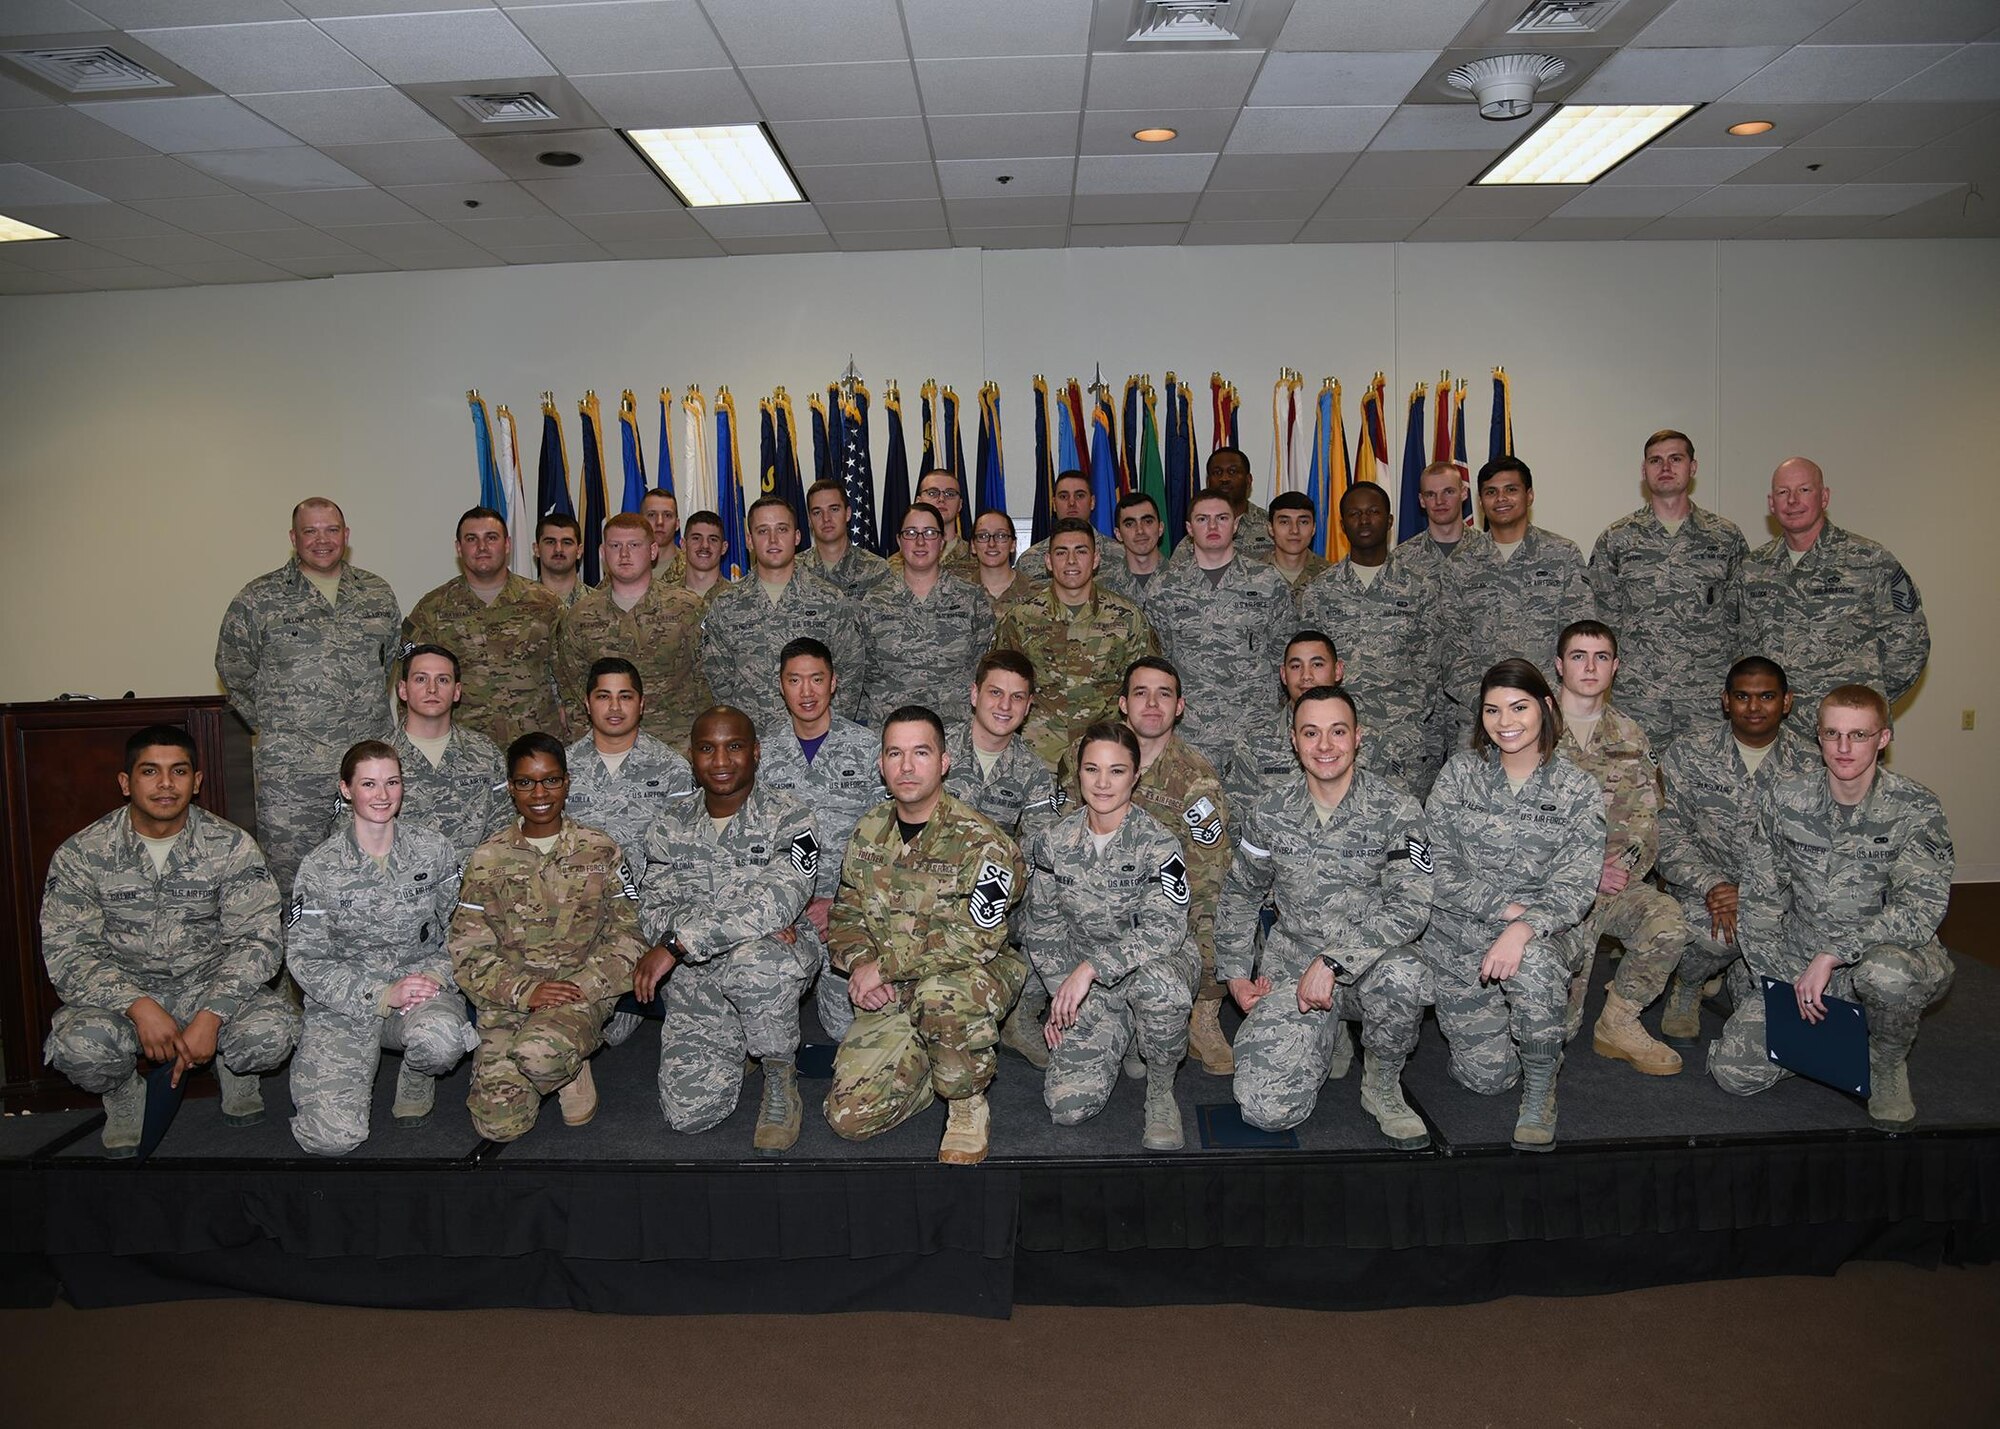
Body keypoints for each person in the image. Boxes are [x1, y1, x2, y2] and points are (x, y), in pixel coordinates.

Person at [41, 726, 299, 1155]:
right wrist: (139, 1006)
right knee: (81, 1049)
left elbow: (259, 940)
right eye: (149, 771)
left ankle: (233, 1068)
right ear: (125, 783)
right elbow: (68, 951)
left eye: (178, 771)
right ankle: (124, 1091)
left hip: (209, 986)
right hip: (123, 995)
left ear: (197, 781)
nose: (165, 784)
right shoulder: (82, 853)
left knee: (269, 1034)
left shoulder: (231, 846)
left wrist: (212, 1015)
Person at [1709, 685, 1954, 1127]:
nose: (1843, 748)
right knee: (1733, 1073)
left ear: (1883, 738)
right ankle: (1837, 1040)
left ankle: (1885, 1061)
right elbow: (1761, 901)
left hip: (1886, 957)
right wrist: (1779, 983)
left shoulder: (1915, 808)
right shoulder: (1786, 800)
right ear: (1817, 736)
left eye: (1859, 735)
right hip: (1799, 964)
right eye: (1831, 733)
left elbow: (1919, 910)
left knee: (1888, 976)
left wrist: (1836, 952)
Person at [1217, 686, 1433, 1147]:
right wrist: (1235, 974)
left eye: (1337, 732)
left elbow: (1410, 907)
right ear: (1294, 741)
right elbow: (1241, 893)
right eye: (1310, 733)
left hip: (1369, 969)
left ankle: (1381, 1084)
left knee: (1407, 977)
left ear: (1358, 737)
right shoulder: (1269, 812)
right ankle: (1326, 1034)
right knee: (1264, 1110)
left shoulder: (1397, 810)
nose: (1325, 746)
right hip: (1293, 970)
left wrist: (1333, 961)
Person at [824, 706, 1029, 1165]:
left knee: (940, 997)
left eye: (921, 752)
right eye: (895, 753)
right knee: (849, 1119)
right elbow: (846, 911)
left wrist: (884, 968)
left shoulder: (982, 842)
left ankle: (965, 1101)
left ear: (944, 761)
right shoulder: (869, 831)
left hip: (969, 977)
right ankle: (937, 1068)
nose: (907, 766)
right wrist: (859, 963)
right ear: (881, 765)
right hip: (892, 988)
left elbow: (976, 939)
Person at [1421, 660, 1604, 1151]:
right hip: (1460, 937)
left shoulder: (1577, 789)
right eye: (1492, 710)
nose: (1505, 722)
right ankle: (1515, 1033)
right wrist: (1506, 911)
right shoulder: (1460, 775)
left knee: (1537, 965)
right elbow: (1434, 866)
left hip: (1543, 934)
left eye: (1519, 707)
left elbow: (1577, 882)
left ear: (1546, 706)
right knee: (1485, 1079)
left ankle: (1542, 1088)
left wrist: (1524, 929)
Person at [635, 707, 821, 1154]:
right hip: (696, 979)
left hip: (765, 963)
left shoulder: (793, 818)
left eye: (734, 746)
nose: (720, 760)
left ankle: (778, 1071)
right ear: (692, 757)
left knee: (756, 961)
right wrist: (745, 925)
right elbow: (652, 910)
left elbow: (780, 899)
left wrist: (681, 940)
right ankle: (741, 1038)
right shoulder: (667, 825)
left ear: (756, 752)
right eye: (707, 748)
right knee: (688, 1116)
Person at [450, 733, 645, 1141]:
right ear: (510, 788)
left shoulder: (600, 851)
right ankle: (558, 1061)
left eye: (550, 780)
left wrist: (582, 986)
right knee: (498, 1125)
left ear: (567, 782)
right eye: (526, 782)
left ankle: (565, 1059)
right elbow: (468, 949)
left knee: (539, 1055)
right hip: (509, 1000)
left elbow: (629, 935)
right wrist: (526, 992)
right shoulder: (487, 858)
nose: (539, 793)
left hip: (578, 994)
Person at [287, 740, 474, 1155]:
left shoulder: (433, 850)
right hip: (345, 1004)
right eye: (369, 784)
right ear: (346, 789)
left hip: (421, 991)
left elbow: (464, 929)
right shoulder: (319, 867)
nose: (383, 795)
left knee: (442, 1042)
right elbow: (304, 957)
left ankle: (416, 1072)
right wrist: (382, 993)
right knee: (331, 1140)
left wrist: (432, 977)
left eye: (392, 782)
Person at [1020, 722, 1197, 1149]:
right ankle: (1126, 1032)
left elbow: (1165, 929)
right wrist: (1063, 994)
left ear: (1135, 775)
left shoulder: (1158, 843)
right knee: (1067, 1108)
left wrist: (1091, 968)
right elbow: (1041, 928)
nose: (1102, 783)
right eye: (1091, 769)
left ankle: (1160, 1088)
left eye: (1117, 771)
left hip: (1152, 966)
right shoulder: (1054, 842)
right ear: (1077, 774)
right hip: (1085, 984)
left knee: (1160, 989)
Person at [216, 497, 401, 895]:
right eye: (310, 531)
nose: (322, 540)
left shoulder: (377, 594)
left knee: (370, 873)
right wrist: (277, 726)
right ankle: (297, 959)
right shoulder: (259, 599)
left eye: (331, 530)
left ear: (346, 536)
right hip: (292, 773)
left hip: (367, 768)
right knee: (292, 880)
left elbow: (386, 665)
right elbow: (233, 668)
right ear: (293, 538)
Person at [1061, 657, 1234, 1076]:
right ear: (1123, 703)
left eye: (1164, 694)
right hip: (1094, 908)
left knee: (1209, 902)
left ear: (1180, 706)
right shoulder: (1084, 757)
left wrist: (1207, 988)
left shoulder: (1196, 779)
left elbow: (1206, 888)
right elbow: (1061, 841)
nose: (1152, 703)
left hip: (1162, 917)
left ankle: (1199, 1014)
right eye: (1141, 693)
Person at [1550, 621, 1692, 1077]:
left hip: (1615, 886)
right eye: (1578, 656)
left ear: (1616, 667)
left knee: (1667, 923)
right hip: (1544, 892)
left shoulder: (1631, 736)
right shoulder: (1527, 726)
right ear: (1558, 664)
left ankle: (1618, 1021)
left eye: (1601, 657)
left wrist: (1617, 871)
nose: (1589, 667)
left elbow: (1647, 822)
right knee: (1554, 1034)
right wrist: (1584, 872)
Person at [1656, 656, 1816, 1048]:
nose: (1754, 707)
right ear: (1726, 701)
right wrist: (1712, 883)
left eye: (1767, 696)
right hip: (1705, 894)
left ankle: (1739, 976)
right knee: (1712, 936)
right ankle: (1689, 981)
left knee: (1771, 1017)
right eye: (1743, 696)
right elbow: (1665, 832)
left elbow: (1818, 852)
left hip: (1781, 900)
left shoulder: (1814, 765)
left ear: (1787, 701)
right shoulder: (1689, 752)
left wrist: (1755, 892)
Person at [1741, 457, 1930, 736]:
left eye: (1804, 490)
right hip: (1780, 734)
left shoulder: (1869, 560)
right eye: (1783, 492)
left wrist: (1865, 703)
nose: (1793, 500)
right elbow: (1747, 647)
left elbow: (1909, 644)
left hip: (1849, 735)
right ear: (1772, 503)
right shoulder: (1754, 568)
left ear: (1825, 497)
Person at [756, 638, 885, 1042]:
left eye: (816, 679)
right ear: (780, 685)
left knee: (845, 1026)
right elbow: (752, 846)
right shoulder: (762, 753)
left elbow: (887, 839)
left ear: (834, 683)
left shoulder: (869, 750)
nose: (806, 692)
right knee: (759, 990)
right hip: (784, 910)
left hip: (850, 910)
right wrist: (778, 910)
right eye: (795, 680)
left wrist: (842, 904)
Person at [1587, 430, 1747, 748]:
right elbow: (1601, 622)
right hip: (1638, 698)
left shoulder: (1725, 537)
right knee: (1636, 793)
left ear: (1693, 467)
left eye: (1676, 459)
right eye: (1655, 460)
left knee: (1707, 791)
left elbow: (1743, 619)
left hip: (1707, 700)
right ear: (1643, 470)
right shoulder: (1617, 538)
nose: (1666, 467)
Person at [941, 650, 1062, 1066]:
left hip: (997, 892)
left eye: (1017, 697)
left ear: (1029, 706)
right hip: (930, 887)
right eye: (995, 693)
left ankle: (1021, 1013)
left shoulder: (1033, 771)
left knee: (1052, 897)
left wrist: (994, 878)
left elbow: (1038, 844)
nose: (1004, 706)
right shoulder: (934, 749)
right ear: (974, 694)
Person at [1296, 482, 1446, 796]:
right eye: (1355, 513)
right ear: (1342, 525)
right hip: (1335, 742)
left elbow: (1430, 669)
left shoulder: (1419, 589)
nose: (1364, 520)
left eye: (1374, 512)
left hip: (1403, 742)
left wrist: (1411, 727)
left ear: (1390, 521)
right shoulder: (1320, 592)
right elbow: (1311, 672)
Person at [1437, 457, 1593, 750]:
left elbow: (1578, 640)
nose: (1501, 499)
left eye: (1511, 489)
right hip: (1480, 718)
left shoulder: (1562, 555)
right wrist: (1490, 705)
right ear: (1481, 501)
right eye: (1491, 492)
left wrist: (1548, 703)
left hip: (1549, 714)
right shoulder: (1460, 564)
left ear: (1529, 495)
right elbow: (1450, 646)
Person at [1143, 486, 1294, 772]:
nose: (1212, 526)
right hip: (1190, 733)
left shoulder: (1267, 582)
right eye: (1202, 519)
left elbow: (1283, 657)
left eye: (1222, 518)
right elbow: (1158, 663)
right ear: (1189, 528)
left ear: (1236, 525)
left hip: (1256, 731)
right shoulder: (1165, 587)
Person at [994, 517, 1158, 766]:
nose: (1071, 561)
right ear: (1048, 561)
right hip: (1035, 758)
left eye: (1081, 551)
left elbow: (1146, 688)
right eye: (1061, 552)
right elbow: (998, 687)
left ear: (1095, 560)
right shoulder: (1021, 619)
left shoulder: (1128, 618)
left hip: (1105, 755)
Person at [399, 505, 564, 749]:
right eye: (471, 539)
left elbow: (572, 678)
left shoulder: (545, 603)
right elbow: (409, 681)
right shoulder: (432, 609)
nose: (482, 547)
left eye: (491, 538)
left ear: (507, 544)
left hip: (534, 749)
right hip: (463, 751)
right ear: (458, 547)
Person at [703, 495, 865, 736]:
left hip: (816, 740)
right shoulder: (727, 605)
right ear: (749, 540)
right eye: (762, 531)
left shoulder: (829, 600)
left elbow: (849, 671)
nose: (773, 539)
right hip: (752, 743)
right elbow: (719, 680)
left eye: (782, 529)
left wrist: (829, 732)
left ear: (797, 537)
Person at [554, 511, 711, 748]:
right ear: (602, 552)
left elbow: (708, 679)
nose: (624, 554)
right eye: (615, 545)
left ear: (652, 551)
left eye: (634, 545)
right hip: (606, 751)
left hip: (677, 747)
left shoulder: (687, 608)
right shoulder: (579, 615)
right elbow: (574, 691)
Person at [857, 500, 996, 725]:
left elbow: (984, 670)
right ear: (899, 541)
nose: (920, 541)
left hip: (954, 731)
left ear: (942, 541)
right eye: (911, 533)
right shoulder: (874, 602)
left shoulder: (972, 600)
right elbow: (862, 672)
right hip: (891, 730)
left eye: (930, 533)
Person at [562, 657, 695, 872]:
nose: (614, 707)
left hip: (649, 898)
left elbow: (682, 849)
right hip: (576, 897)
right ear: (587, 704)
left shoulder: (671, 769)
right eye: (603, 697)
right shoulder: (561, 768)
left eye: (625, 697)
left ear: (641, 704)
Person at [388, 643, 510, 868]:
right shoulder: (375, 758)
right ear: (402, 690)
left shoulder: (485, 754)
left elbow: (503, 831)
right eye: (421, 679)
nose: (432, 689)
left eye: (443, 680)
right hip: (399, 894)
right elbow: (354, 838)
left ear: (457, 691)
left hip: (473, 890)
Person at [1219, 630, 1343, 818]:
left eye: (1317, 664)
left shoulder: (1371, 743)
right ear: (1283, 675)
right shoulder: (1253, 745)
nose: (1306, 676)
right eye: (1295, 666)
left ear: (1338, 670)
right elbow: (1236, 819)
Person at [1013, 471, 1120, 583]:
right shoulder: (1028, 561)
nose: (1072, 503)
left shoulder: (1119, 555)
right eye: (1064, 496)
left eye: (1080, 496)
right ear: (1054, 504)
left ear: (1092, 502)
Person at [802, 478, 892, 598]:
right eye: (817, 512)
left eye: (834, 509)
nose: (826, 518)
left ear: (848, 513)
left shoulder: (876, 569)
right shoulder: (793, 569)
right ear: (809, 520)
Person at [1394, 459, 1485, 577]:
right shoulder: (1400, 560)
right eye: (1430, 494)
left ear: (1463, 493)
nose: (1439, 501)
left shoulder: (1490, 552)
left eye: (1448, 492)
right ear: (1422, 500)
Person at [890, 469, 981, 583]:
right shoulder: (892, 565)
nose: (941, 499)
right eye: (932, 493)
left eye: (950, 494)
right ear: (919, 501)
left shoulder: (979, 561)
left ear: (960, 505)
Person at [1204, 446, 1273, 559]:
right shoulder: (1199, 528)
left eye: (1233, 471)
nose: (1224, 478)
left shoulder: (1270, 526)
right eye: (1217, 472)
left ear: (1248, 480)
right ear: (1208, 482)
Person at [1105, 491, 1168, 607]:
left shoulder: (1186, 581)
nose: (1140, 530)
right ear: (1118, 534)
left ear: (1160, 528)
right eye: (1130, 524)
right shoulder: (1101, 586)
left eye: (1148, 521)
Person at [1265, 491, 1329, 593]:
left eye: (1303, 522)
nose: (1294, 530)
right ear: (1271, 528)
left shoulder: (1333, 576)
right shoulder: (1249, 575)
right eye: (1284, 522)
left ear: (1313, 528)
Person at [970, 508, 1035, 608]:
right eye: (983, 536)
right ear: (973, 546)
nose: (991, 544)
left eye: (1001, 536)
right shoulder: (955, 593)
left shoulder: (1036, 593)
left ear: (1013, 544)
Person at [534, 512, 585, 608]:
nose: (558, 549)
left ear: (579, 551)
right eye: (550, 542)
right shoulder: (518, 606)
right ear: (536, 549)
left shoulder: (602, 606)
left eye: (566, 542)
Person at [681, 511, 732, 601]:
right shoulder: (663, 599)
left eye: (713, 539)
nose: (705, 545)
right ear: (683, 545)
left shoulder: (738, 599)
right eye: (696, 538)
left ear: (724, 548)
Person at [641, 486, 686, 584]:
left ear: (677, 524)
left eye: (667, 515)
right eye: (652, 515)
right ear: (641, 522)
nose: (659, 522)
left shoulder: (692, 569)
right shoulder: (626, 567)